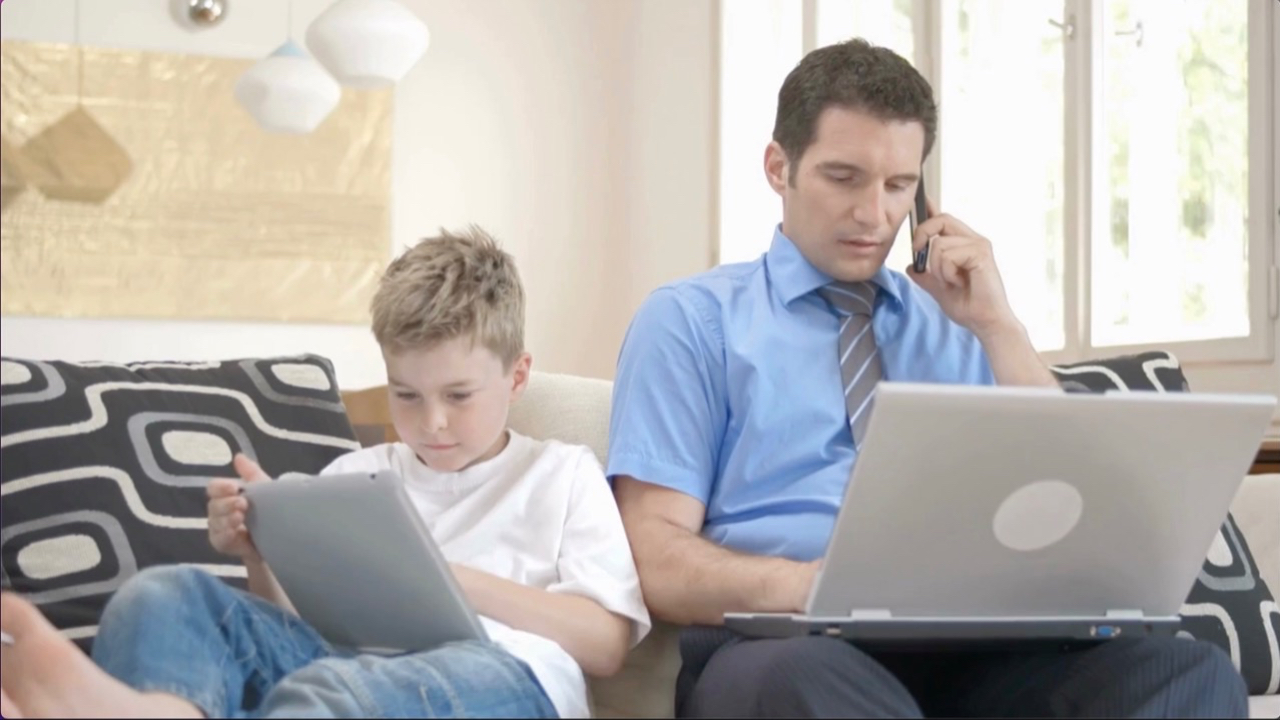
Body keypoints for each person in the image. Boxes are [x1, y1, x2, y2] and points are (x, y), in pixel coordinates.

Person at [606, 38, 1246, 719]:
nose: (874, 214)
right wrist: (809, 587)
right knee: (804, 682)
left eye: (898, 186)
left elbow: (1072, 499)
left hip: (978, 654)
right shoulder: (691, 322)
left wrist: (1001, 330)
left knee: (1188, 673)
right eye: (843, 177)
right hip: (789, 648)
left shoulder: (956, 321)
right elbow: (656, 555)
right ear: (778, 167)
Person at [0, 226, 651, 719]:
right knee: (164, 594)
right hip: (345, 662)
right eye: (405, 394)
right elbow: (293, 626)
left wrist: (449, 579)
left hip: (504, 676)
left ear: (517, 376)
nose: (432, 423)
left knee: (334, 691)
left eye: (458, 396)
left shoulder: (563, 473)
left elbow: (604, 645)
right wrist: (259, 555)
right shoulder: (356, 475)